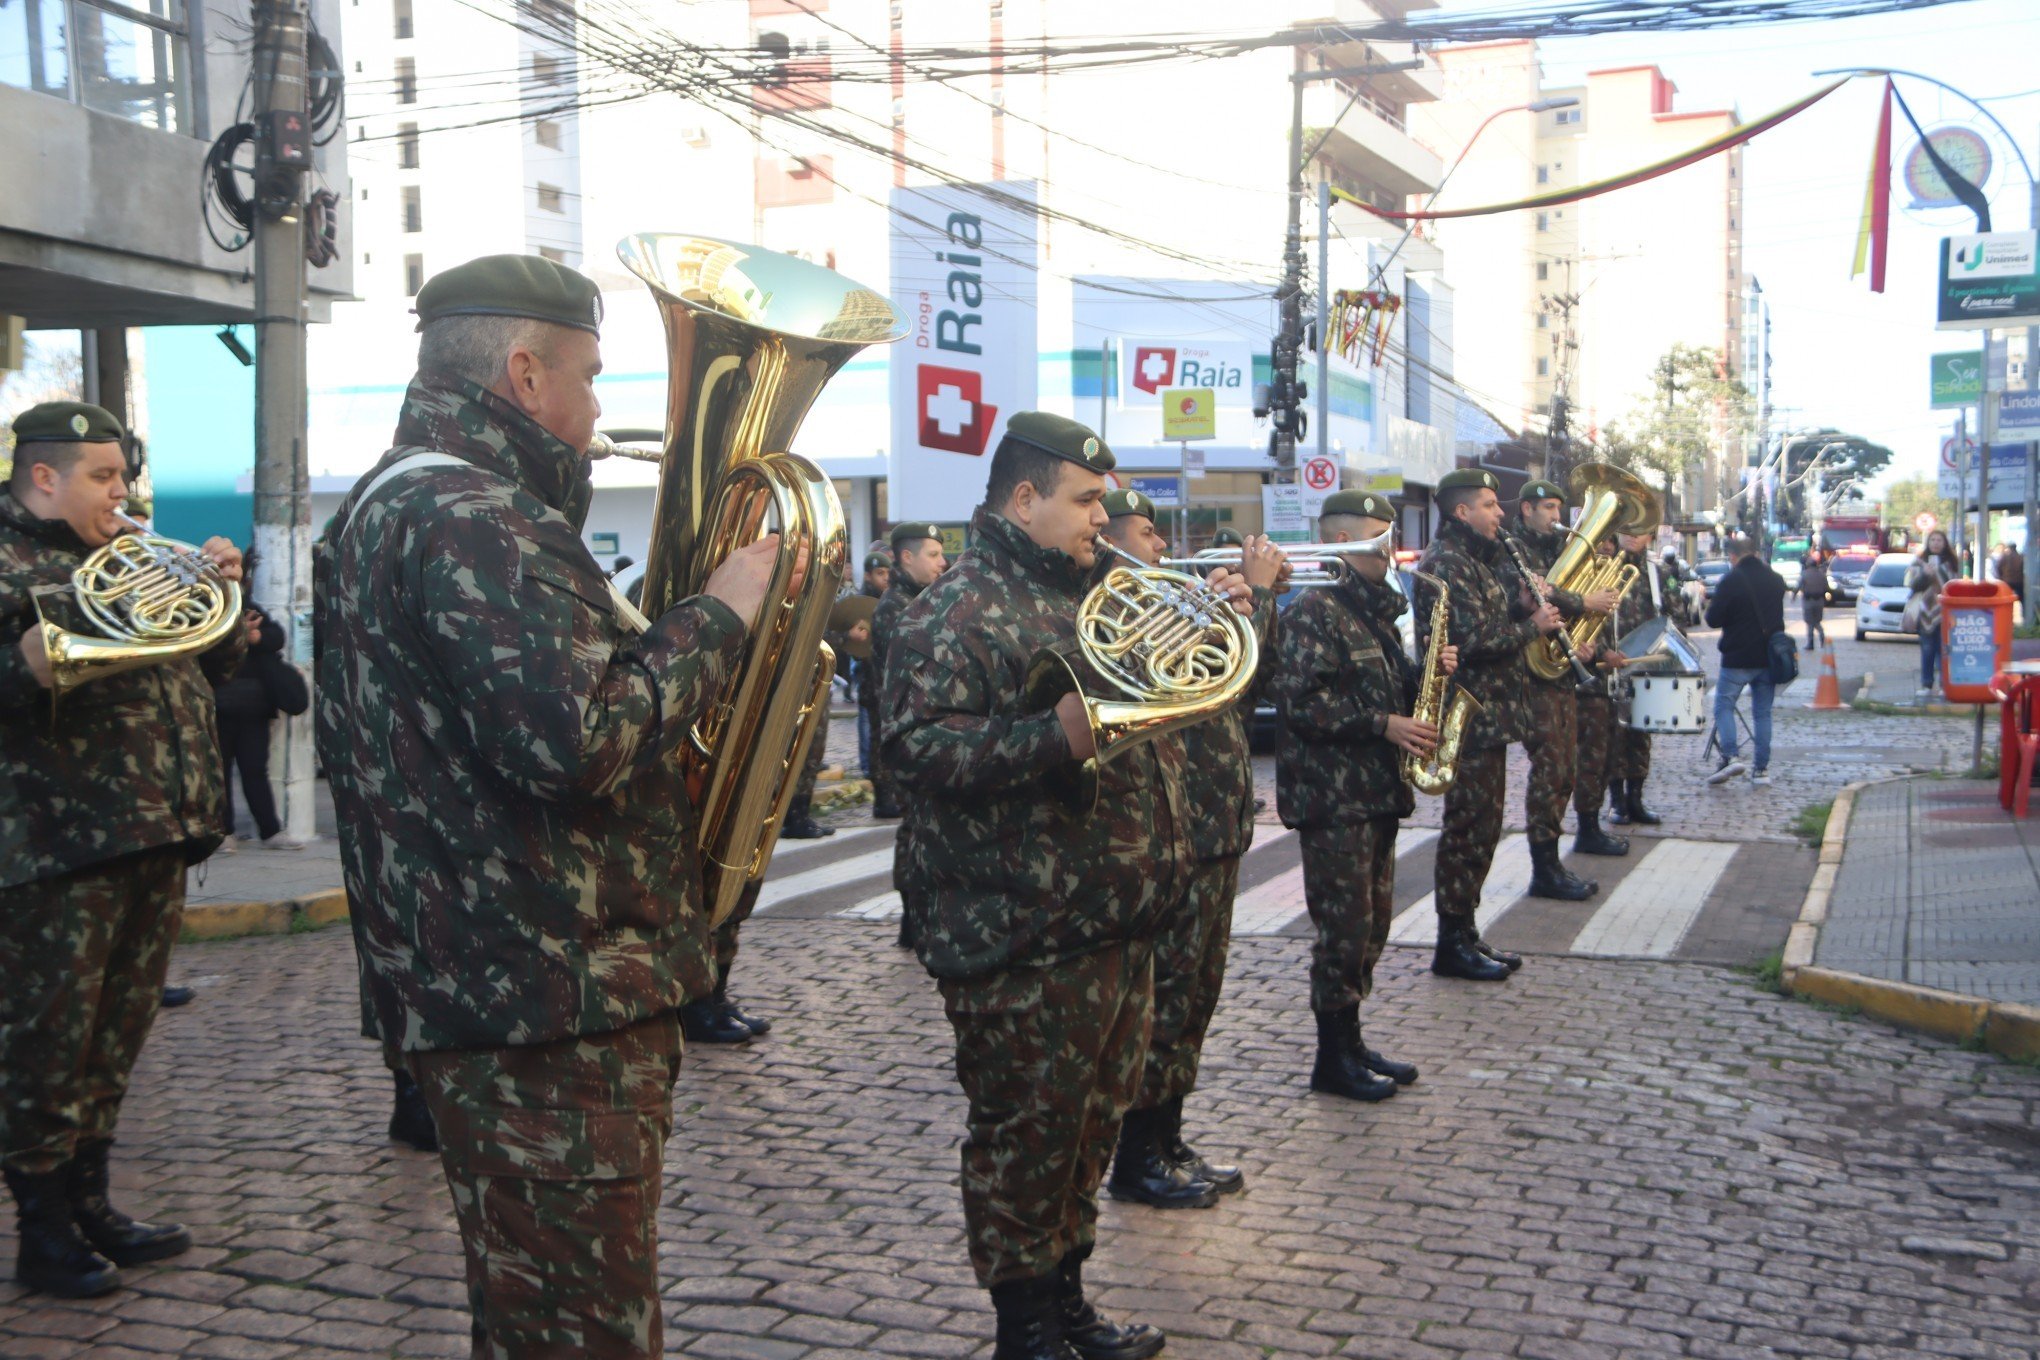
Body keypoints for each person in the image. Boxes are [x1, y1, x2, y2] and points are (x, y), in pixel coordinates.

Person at [314, 255, 785, 1356]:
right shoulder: (474, 515)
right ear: (527, 374)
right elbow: (575, 740)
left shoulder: (405, 500)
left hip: (502, 987)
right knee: (583, 1327)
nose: (602, 408)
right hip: (544, 1000)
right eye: (591, 376)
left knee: (533, 1310)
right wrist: (719, 616)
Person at [882, 411, 1249, 1360]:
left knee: (1087, 1132)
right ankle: (1026, 1331)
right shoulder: (954, 609)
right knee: (1025, 1136)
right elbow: (913, 751)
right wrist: (1054, 739)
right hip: (1019, 929)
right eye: (1086, 500)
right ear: (1023, 499)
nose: (1103, 516)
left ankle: (1069, 1308)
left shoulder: (1100, 588)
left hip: (1116, 916)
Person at [2, 401, 246, 1298]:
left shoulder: (132, 558)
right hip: (54, 845)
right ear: (44, 477)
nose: (123, 494)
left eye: (122, 475)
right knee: (48, 1040)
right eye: (104, 478)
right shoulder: (10, 562)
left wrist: (225, 596)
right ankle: (42, 1226)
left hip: (154, 830)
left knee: (116, 1034)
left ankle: (92, 1202)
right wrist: (53, 631)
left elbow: (205, 671)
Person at [1094, 489, 1280, 1209]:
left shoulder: (1173, 601)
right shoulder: (1118, 611)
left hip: (1215, 825)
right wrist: (1238, 604)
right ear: (1112, 540)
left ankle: (1169, 1139)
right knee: (1164, 1003)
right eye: (1148, 534)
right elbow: (1168, 690)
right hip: (1174, 834)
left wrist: (1248, 611)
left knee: (1196, 998)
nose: (1163, 548)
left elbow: (1247, 685)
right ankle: (1138, 1158)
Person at [1272, 490, 1448, 1102]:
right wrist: (1383, 725)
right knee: (1342, 931)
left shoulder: (1375, 610)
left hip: (1374, 792)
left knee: (1370, 927)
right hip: (1333, 799)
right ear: (1344, 543)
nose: (1387, 552)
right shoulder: (1314, 611)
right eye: (1375, 541)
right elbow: (1301, 703)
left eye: (1387, 537)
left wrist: (1429, 672)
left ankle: (1350, 1042)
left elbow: (1385, 685)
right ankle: (1331, 1058)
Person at [1416, 469, 1565, 982]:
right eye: (1489, 504)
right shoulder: (1447, 563)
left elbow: (1490, 623)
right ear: (1462, 512)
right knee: (1467, 831)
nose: (1500, 513)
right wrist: (1532, 626)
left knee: (1483, 830)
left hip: (1491, 716)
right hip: (1470, 717)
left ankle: (1466, 933)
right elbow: (1472, 640)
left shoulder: (1476, 561)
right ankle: (1451, 941)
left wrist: (1523, 604)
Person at [1503, 480, 1622, 900]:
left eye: (1558, 508)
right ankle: (1544, 868)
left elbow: (1559, 607)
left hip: (1560, 674)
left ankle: (1553, 861)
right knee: (1550, 770)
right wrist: (1584, 603)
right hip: (1533, 679)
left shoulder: (1556, 547)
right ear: (1526, 510)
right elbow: (1541, 592)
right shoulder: (1514, 546)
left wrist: (1585, 644)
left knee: (1565, 771)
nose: (1557, 516)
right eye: (1548, 508)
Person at [870, 523, 946, 820]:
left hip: (923, 728)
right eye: (933, 554)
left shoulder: (919, 600)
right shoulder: (896, 608)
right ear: (907, 557)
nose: (942, 562)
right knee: (914, 830)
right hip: (909, 732)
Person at [1703, 535, 1787, 787]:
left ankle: (1731, 755)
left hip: (1737, 657)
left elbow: (1713, 619)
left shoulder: (1730, 580)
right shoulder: (1775, 579)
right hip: (1767, 657)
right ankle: (1761, 770)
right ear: (1757, 553)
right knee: (1762, 714)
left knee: (1723, 706)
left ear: (1733, 556)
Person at [211, 593, 289, 846]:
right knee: (219, 773)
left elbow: (276, 637)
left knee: (255, 770)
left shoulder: (248, 607)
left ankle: (270, 830)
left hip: (253, 710)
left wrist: (257, 637)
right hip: (219, 708)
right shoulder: (206, 609)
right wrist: (238, 634)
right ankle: (224, 831)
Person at [1572, 536, 1634, 859]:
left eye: (1610, 541)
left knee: (1607, 754)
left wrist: (1613, 650)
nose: (1607, 547)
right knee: (1590, 758)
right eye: (1601, 542)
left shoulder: (1608, 577)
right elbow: (1573, 629)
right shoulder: (1577, 579)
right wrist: (1601, 652)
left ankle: (1595, 823)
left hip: (1604, 682)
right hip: (1584, 687)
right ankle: (1586, 828)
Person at [1606, 530, 1664, 829]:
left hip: (1645, 667)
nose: (1631, 536)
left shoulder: (1657, 572)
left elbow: (1672, 615)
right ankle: (1616, 802)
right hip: (1612, 666)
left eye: (1639, 531)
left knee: (1641, 737)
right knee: (1615, 737)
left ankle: (1636, 799)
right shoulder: (1604, 568)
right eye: (1626, 529)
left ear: (1651, 536)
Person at [1909, 530, 1959, 698]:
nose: (1936, 543)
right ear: (1928, 543)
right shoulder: (1918, 563)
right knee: (1928, 649)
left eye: (1939, 540)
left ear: (1944, 543)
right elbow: (1913, 585)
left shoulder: (1952, 563)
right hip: (1925, 612)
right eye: (1933, 540)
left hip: (1946, 613)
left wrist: (1938, 571)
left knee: (1944, 651)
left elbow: (1953, 585)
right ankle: (1926, 684)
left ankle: (1945, 685)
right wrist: (1925, 573)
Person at [853, 550, 890, 774]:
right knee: (869, 724)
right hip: (867, 674)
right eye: (879, 573)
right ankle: (868, 766)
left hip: (883, 677)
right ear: (868, 576)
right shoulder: (859, 604)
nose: (885, 577)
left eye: (887, 572)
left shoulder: (889, 599)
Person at [1800, 549, 1830, 651]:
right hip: (1819, 601)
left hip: (1808, 601)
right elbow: (1827, 588)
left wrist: (1794, 596)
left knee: (1810, 622)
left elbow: (1799, 586)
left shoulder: (1804, 574)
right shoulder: (1822, 574)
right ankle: (1822, 637)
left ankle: (1811, 643)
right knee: (1817, 622)